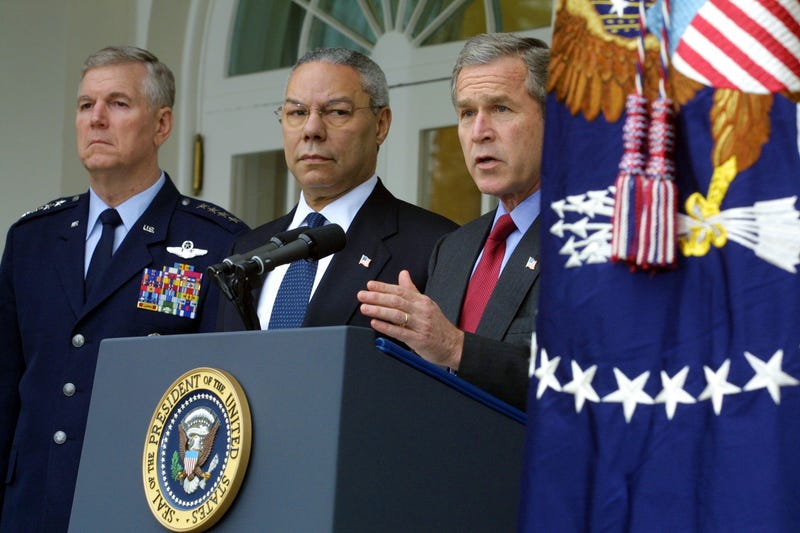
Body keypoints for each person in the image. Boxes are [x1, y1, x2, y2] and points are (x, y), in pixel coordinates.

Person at [0, 46, 248, 531]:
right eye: (85, 105)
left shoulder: (219, 242)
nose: (96, 119)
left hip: (143, 510)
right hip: (31, 505)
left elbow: (225, 401)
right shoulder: (32, 239)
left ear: (161, 125)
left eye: (117, 103)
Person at [357, 34, 549, 411]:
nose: (480, 132)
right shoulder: (454, 247)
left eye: (501, 109)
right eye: (467, 113)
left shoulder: (598, 239)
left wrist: (456, 347)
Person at [217, 48, 457, 331]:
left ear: (381, 125)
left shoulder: (437, 246)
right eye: (297, 112)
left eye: (337, 112)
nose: (312, 129)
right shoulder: (247, 248)